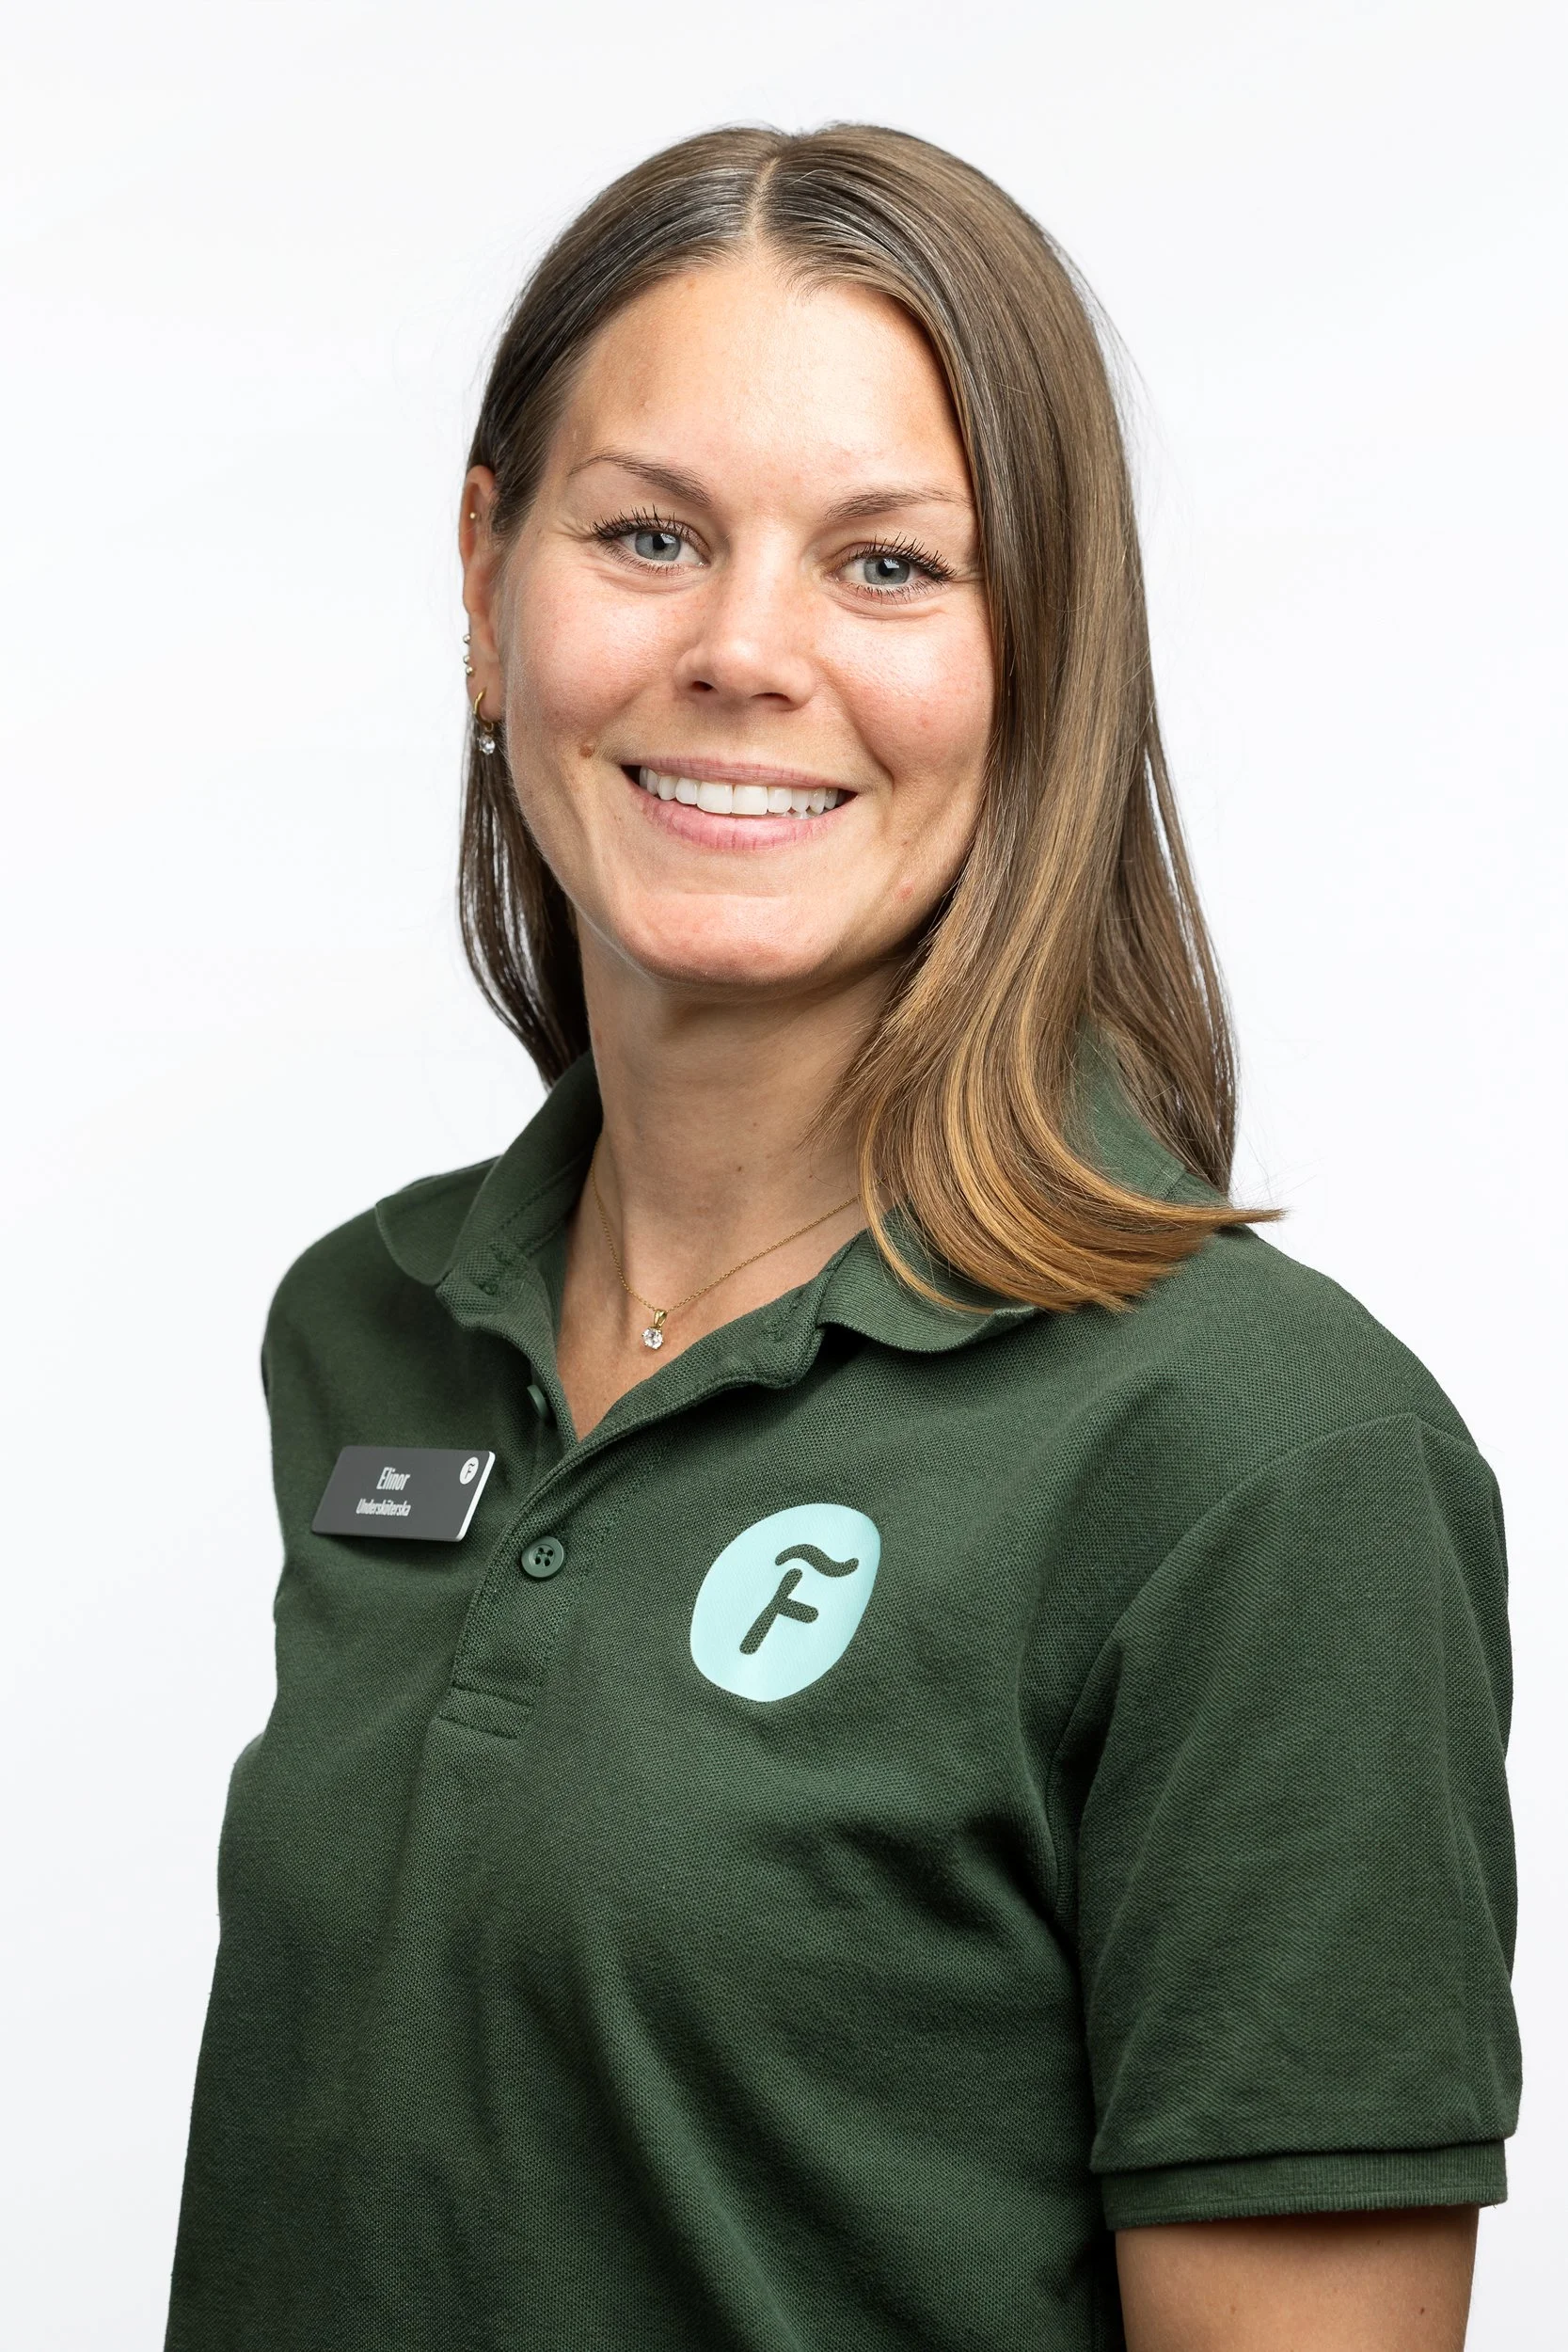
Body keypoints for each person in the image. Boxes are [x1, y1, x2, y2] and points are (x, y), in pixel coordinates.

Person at [164, 126, 1519, 2352]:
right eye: (648, 534)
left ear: (1042, 657)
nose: (740, 649)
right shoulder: (370, 1327)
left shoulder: (1261, 1458)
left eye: (888, 566)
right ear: (487, 577)